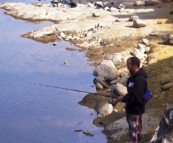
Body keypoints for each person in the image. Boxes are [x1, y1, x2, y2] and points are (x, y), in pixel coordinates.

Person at [114, 56, 147, 143]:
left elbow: (137, 98)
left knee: (136, 134)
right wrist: (120, 99)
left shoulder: (140, 80)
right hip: (130, 110)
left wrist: (123, 98)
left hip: (136, 112)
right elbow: (131, 94)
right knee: (132, 133)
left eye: (128, 65)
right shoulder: (132, 78)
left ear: (134, 65)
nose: (127, 67)